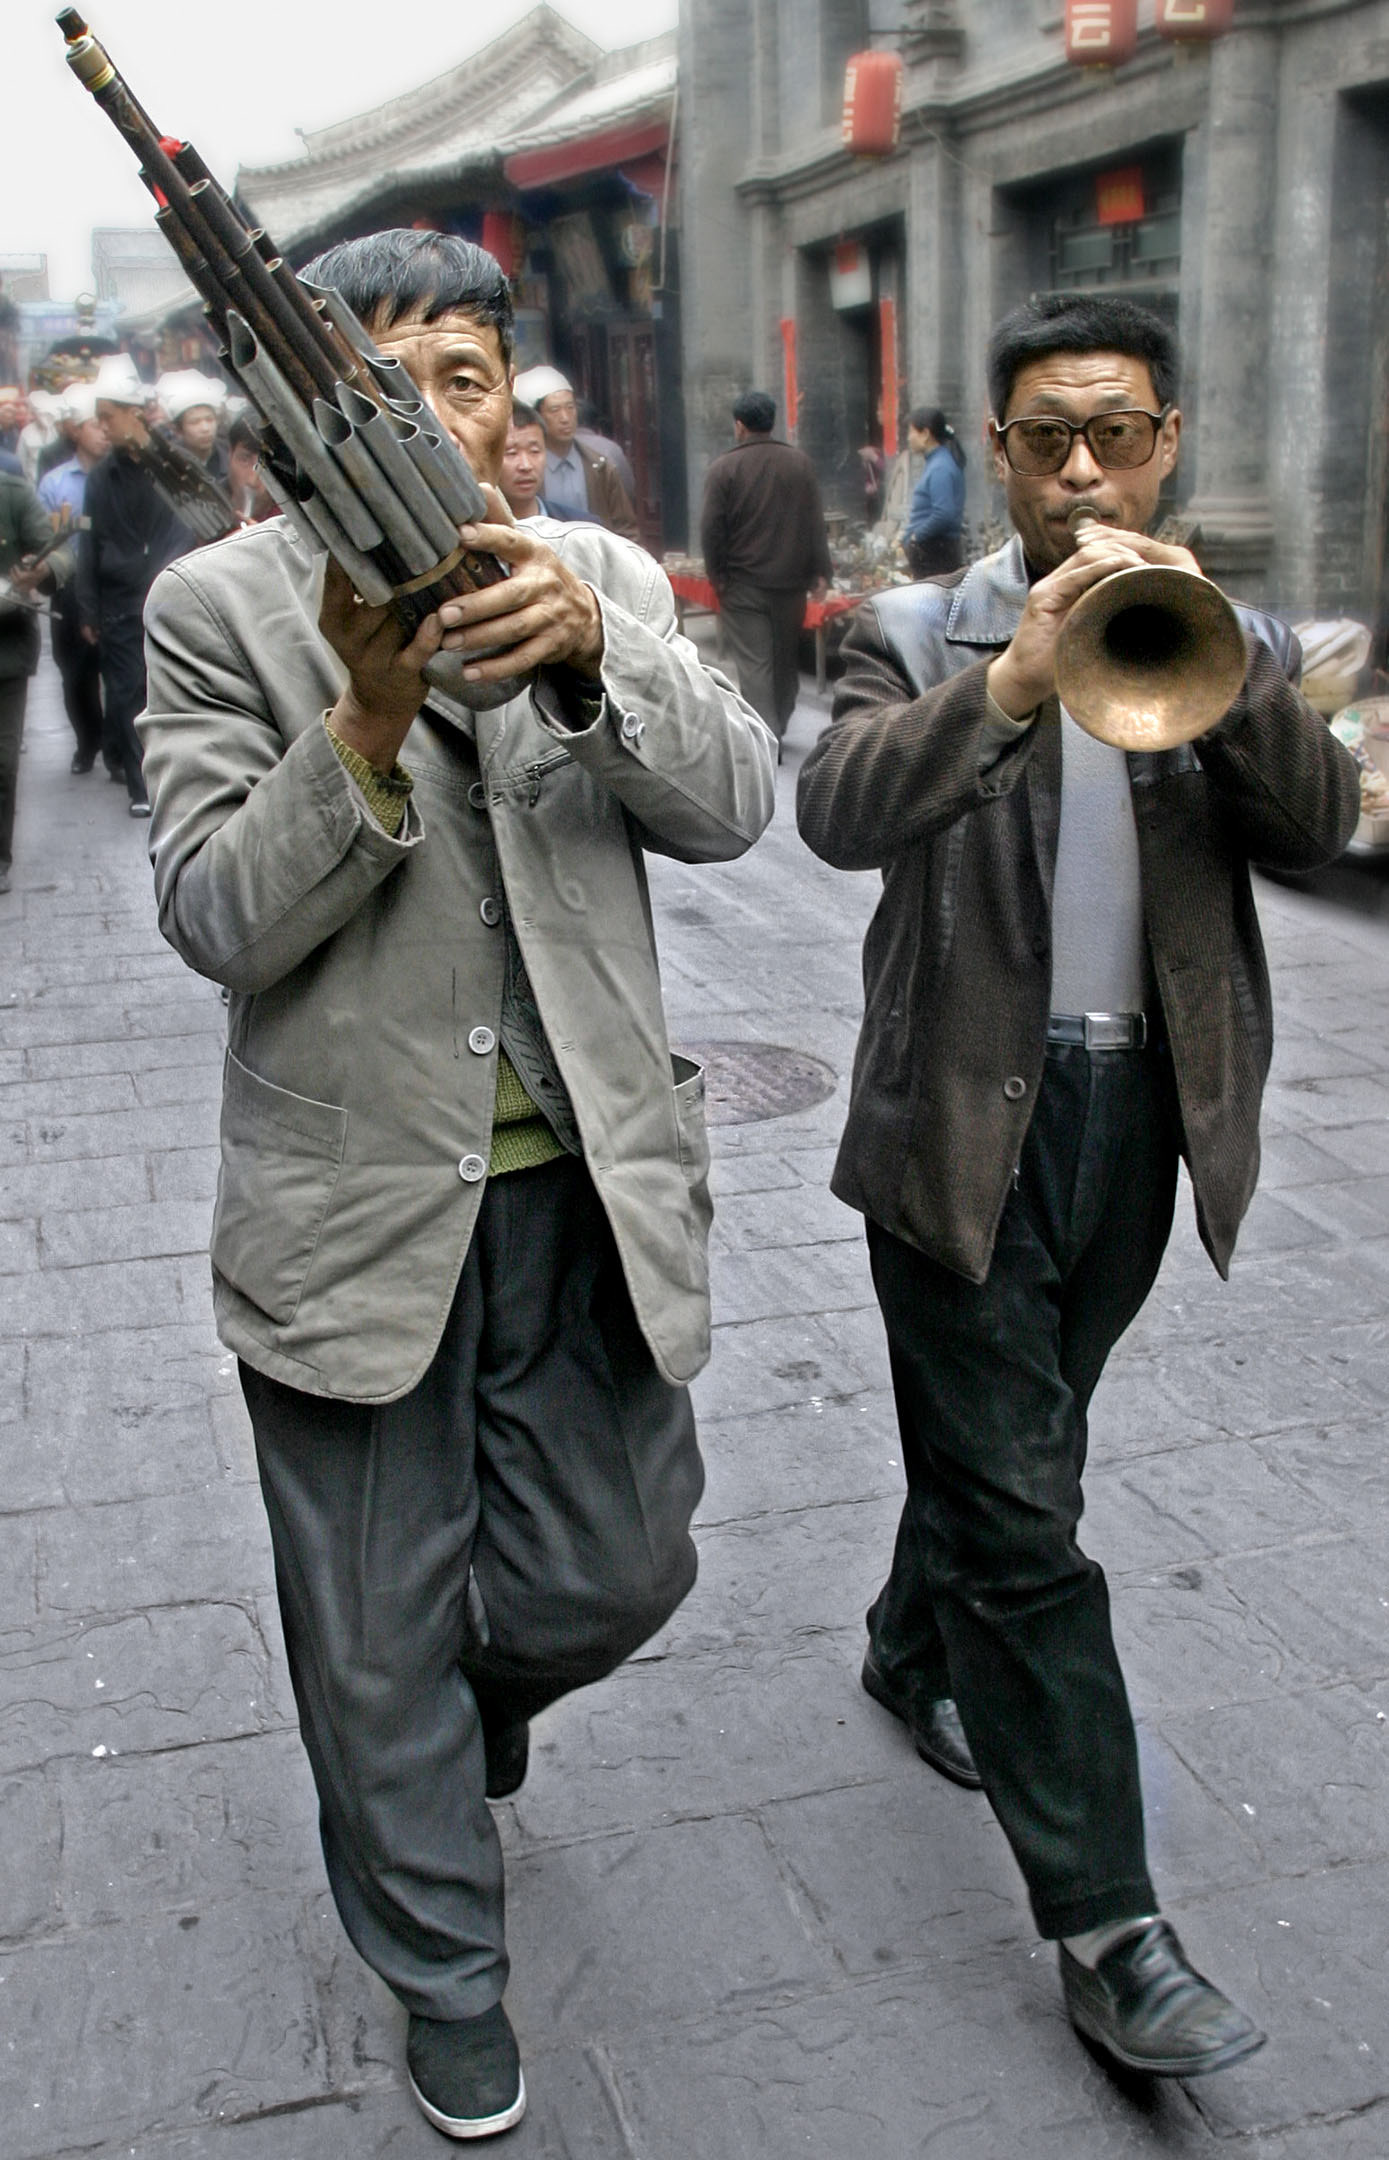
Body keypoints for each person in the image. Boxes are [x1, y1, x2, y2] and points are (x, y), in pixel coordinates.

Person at [137, 228, 774, 2141]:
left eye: (472, 379)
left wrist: (599, 660)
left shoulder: (586, 569)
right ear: (308, 412)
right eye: (384, 380)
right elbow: (213, 917)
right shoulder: (214, 605)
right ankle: (447, 1972)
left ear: (523, 416)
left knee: (616, 1564)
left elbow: (734, 800)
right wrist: (359, 720)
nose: (435, 413)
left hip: (583, 1187)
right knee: (366, 1622)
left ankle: (475, 1711)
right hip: (351, 1214)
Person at [796, 292, 1358, 2082]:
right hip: (958, 1124)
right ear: (997, 448)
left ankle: (909, 1643)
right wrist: (1014, 679)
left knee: (1007, 1448)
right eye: (1044, 437)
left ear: (1165, 442)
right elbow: (835, 808)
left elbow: (1317, 826)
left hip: (1144, 1124)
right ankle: (1109, 1926)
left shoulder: (1227, 629)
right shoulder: (907, 628)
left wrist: (1227, 671)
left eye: (1114, 432)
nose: (1080, 469)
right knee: (1028, 1522)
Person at [79, 353, 193, 816]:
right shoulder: (101, 478)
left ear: (135, 413)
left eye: (109, 417)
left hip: (166, 597)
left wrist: (164, 582)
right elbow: (89, 545)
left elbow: (185, 528)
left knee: (165, 689)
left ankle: (172, 777)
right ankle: (139, 783)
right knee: (125, 691)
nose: (103, 427)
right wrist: (88, 609)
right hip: (119, 603)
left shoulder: (171, 463)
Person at [699, 389, 832, 754]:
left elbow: (711, 529)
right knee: (785, 658)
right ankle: (780, 721)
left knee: (756, 664)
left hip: (744, 585)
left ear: (739, 425)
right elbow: (814, 522)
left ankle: (766, 735)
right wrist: (821, 572)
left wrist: (718, 576)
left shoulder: (724, 468)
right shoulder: (799, 464)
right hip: (791, 584)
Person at [0, 464, 73, 893]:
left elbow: (62, 553)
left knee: (2, 762)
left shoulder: (11, 492)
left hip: (5, 651)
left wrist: (40, 570)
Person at [38, 381, 108, 774]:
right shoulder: (55, 484)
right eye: (93, 423)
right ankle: (88, 741)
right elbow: (49, 539)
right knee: (75, 676)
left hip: (110, 586)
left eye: (105, 422)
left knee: (121, 676)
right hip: (69, 589)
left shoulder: (120, 477)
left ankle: (120, 752)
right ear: (76, 430)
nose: (102, 430)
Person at [512, 364, 639, 541]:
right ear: (536, 416)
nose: (565, 418)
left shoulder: (600, 466)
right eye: (554, 410)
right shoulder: (521, 474)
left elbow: (625, 528)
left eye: (570, 408)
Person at [498, 401, 598, 525]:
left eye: (534, 451)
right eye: (512, 453)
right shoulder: (473, 534)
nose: (526, 465)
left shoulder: (582, 527)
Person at [903, 403, 965, 577]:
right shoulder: (937, 463)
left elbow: (944, 513)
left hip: (935, 553)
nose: (908, 438)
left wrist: (916, 537)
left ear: (925, 434)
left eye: (911, 432)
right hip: (935, 551)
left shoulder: (940, 468)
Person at [157, 370, 230, 483]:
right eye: (194, 422)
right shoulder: (169, 461)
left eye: (209, 419)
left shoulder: (229, 456)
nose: (205, 428)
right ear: (179, 429)